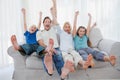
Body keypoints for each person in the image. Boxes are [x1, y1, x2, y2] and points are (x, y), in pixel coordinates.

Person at [36, 0, 68, 80]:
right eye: (45, 21)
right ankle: (50, 69)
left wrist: (54, 4)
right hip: (45, 48)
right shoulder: (39, 32)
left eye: (49, 22)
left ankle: (63, 75)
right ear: (43, 24)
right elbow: (40, 43)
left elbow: (55, 16)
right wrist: (49, 47)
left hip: (56, 48)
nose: (47, 23)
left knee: (59, 57)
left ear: (51, 23)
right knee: (46, 54)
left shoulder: (53, 29)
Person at [58, 11, 93, 79]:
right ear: (63, 27)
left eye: (68, 27)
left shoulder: (72, 34)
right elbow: (56, 23)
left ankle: (84, 63)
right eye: (66, 27)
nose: (67, 28)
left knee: (76, 55)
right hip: (63, 50)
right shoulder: (61, 33)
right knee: (68, 58)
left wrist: (76, 16)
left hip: (71, 49)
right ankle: (69, 66)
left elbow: (74, 27)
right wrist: (75, 16)